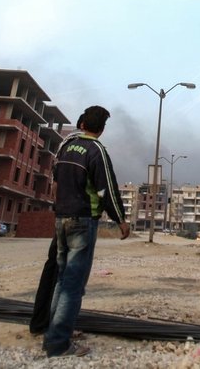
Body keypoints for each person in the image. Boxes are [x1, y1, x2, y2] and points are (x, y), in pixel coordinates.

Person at [42, 105, 130, 358]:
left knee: (62, 279)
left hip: (61, 219)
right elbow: (106, 190)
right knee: (73, 284)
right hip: (82, 220)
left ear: (81, 123)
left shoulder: (65, 147)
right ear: (101, 129)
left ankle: (54, 333)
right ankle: (58, 343)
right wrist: (120, 220)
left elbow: (56, 178)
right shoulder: (96, 150)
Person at [29, 116, 85, 335]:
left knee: (54, 269)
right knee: (67, 274)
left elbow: (55, 185)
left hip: (63, 215)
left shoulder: (64, 147)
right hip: (73, 218)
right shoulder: (78, 147)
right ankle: (57, 327)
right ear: (83, 126)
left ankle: (41, 323)